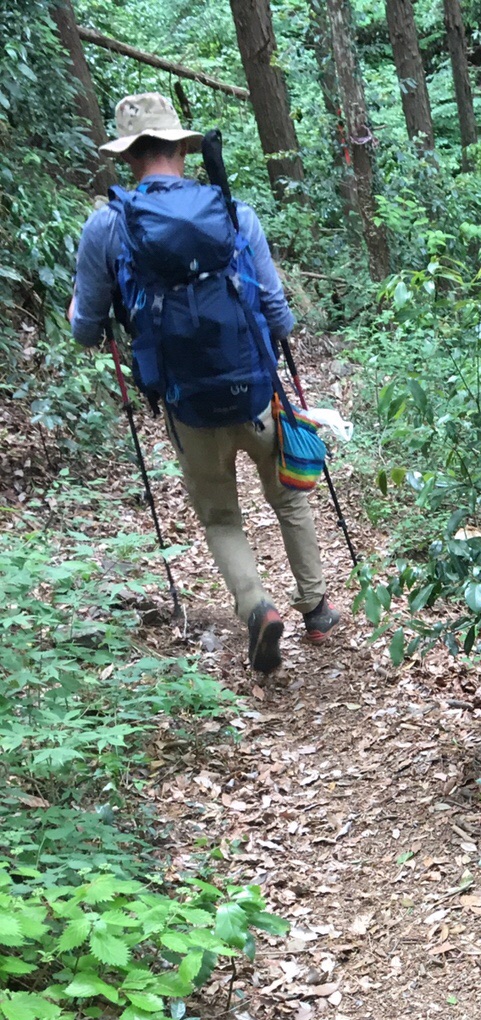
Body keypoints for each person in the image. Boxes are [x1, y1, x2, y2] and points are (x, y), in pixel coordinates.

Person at [70, 92, 342, 673]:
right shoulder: (233, 211)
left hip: (187, 404)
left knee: (221, 518)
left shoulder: (107, 226)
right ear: (181, 148)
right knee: (289, 494)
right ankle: (316, 609)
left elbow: (85, 329)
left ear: (130, 157)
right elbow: (276, 310)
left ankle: (257, 607)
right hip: (254, 391)